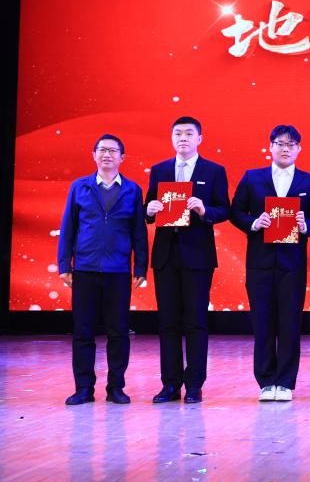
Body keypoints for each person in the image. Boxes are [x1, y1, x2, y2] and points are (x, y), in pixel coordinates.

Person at [230, 124, 310, 402]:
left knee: (290, 323)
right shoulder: (252, 178)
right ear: (270, 146)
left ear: (299, 149)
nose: (285, 148)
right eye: (280, 144)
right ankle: (265, 381)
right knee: (262, 322)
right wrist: (254, 222)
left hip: (292, 264)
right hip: (260, 262)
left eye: (291, 144)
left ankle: (284, 383)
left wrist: (306, 226)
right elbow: (235, 212)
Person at [145, 116, 230, 404]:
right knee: (167, 322)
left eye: (189, 133)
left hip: (198, 256)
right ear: (171, 138)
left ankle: (194, 385)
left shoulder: (214, 170)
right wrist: (149, 210)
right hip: (165, 256)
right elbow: (147, 208)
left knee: (196, 322)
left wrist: (205, 210)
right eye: (178, 133)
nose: (183, 138)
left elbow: (224, 209)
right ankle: (170, 384)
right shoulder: (159, 170)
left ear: (199, 139)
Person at [58, 134, 148, 405]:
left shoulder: (132, 190)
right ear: (94, 155)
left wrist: (140, 267)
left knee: (118, 332)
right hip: (85, 268)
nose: (107, 154)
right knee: (83, 332)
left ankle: (116, 388)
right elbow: (68, 227)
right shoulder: (80, 186)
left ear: (122, 157)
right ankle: (83, 389)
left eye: (113, 151)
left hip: (118, 271)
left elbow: (139, 232)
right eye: (102, 150)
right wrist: (64, 264)